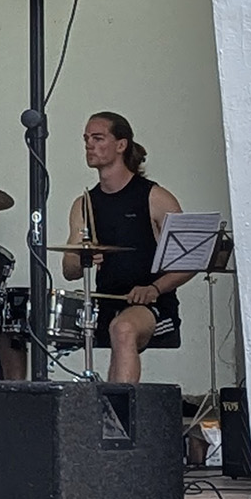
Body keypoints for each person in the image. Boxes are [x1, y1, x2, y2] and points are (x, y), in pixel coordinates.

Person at [62, 111, 187, 385]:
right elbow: (69, 270)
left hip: (151, 304)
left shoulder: (155, 197)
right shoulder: (83, 204)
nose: (89, 145)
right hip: (104, 303)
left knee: (123, 329)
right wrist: (83, 257)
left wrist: (154, 288)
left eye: (98, 138)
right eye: (86, 139)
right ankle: (109, 405)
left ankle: (122, 409)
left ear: (121, 144)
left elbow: (189, 261)